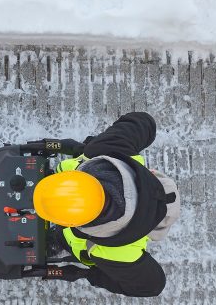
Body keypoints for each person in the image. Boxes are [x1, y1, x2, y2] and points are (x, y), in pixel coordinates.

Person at [33, 112, 180, 297]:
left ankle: (61, 239)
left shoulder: (116, 253)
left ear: (73, 223)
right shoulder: (104, 148)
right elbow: (144, 121)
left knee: (75, 244)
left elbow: (153, 286)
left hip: (149, 210)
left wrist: (89, 274)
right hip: (149, 187)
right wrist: (88, 147)